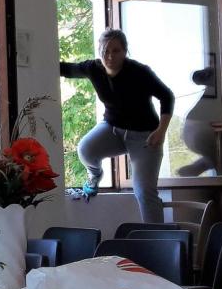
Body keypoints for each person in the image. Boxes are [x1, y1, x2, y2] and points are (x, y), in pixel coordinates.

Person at [60, 28, 174, 222]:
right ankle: (94, 176)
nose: (110, 56)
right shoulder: (93, 68)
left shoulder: (140, 72)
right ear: (99, 50)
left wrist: (161, 131)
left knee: (144, 191)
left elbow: (167, 96)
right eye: (105, 51)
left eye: (116, 51)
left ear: (125, 51)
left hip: (145, 137)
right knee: (85, 149)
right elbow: (66, 69)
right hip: (112, 129)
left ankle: (158, 236)